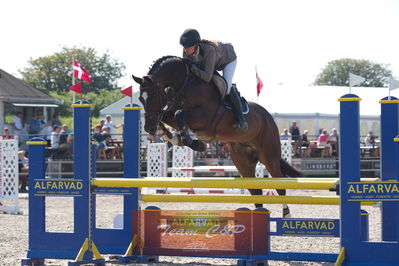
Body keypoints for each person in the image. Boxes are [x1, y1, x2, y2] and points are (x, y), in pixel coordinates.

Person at [179, 28, 248, 130]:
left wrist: (193, 68)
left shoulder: (208, 50)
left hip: (228, 59)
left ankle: (241, 119)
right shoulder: (186, 52)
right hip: (212, 63)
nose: (185, 50)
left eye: (188, 47)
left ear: (196, 45)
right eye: (184, 47)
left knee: (227, 87)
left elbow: (207, 77)